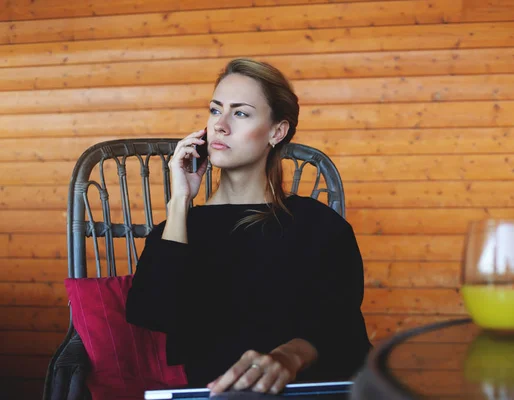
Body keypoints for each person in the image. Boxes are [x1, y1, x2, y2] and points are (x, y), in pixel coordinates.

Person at [125, 58, 372, 396]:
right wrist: (181, 201)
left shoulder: (319, 226)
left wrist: (287, 357)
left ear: (277, 131)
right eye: (215, 111)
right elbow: (154, 313)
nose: (220, 126)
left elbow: (343, 331)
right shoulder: (179, 228)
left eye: (240, 113)